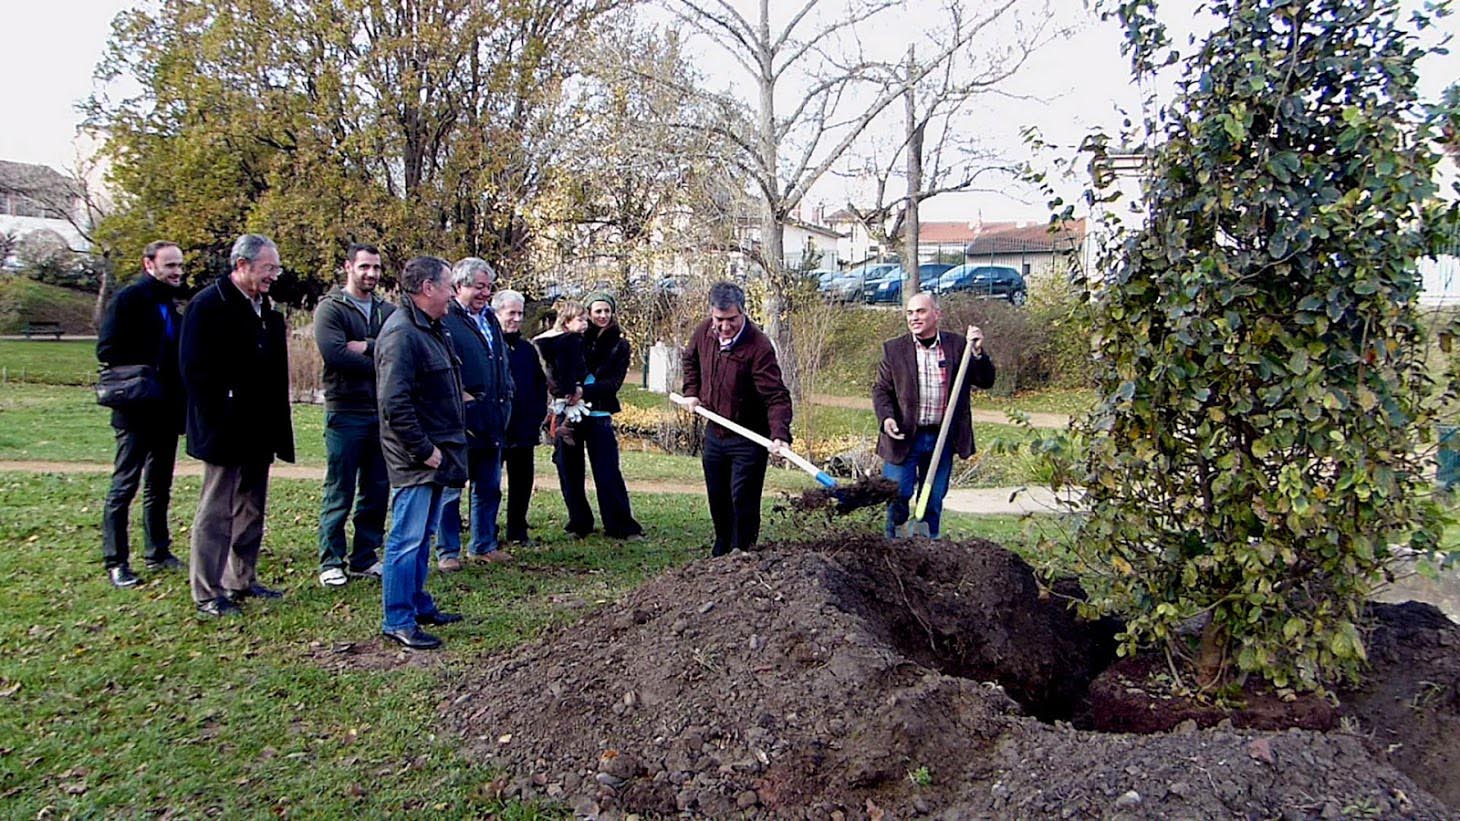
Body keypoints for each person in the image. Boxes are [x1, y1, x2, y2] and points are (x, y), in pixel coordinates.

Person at [179, 234, 295, 618]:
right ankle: (206, 591)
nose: (273, 276)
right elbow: (195, 372)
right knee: (216, 510)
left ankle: (240, 579)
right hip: (224, 429)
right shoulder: (208, 306)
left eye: (275, 269)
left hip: (258, 429)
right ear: (242, 265)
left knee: (251, 507)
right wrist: (221, 414)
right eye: (267, 269)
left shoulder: (265, 308)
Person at [375, 255, 468, 650]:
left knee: (424, 534)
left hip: (437, 450)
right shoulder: (401, 334)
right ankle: (397, 618)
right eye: (448, 286)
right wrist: (423, 449)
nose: (452, 294)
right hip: (417, 457)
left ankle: (417, 604)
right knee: (406, 539)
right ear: (427, 288)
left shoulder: (433, 327)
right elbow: (394, 404)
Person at [96, 240, 187, 588]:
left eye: (179, 265)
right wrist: (147, 368)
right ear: (149, 265)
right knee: (124, 485)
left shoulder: (169, 302)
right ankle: (116, 560)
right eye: (170, 266)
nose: (177, 272)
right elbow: (107, 349)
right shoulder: (129, 299)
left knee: (159, 484)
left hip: (164, 410)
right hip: (135, 409)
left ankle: (158, 550)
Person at [679, 281, 792, 556]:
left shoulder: (758, 346)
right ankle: (722, 548)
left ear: (742, 313)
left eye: (731, 319)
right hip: (715, 431)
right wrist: (692, 392)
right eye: (719, 319)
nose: (725, 326)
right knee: (718, 496)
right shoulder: (704, 332)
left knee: (742, 497)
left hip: (748, 437)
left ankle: (742, 550)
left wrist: (779, 434)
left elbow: (776, 396)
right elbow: (690, 361)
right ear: (711, 313)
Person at [872, 291, 995, 539]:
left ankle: (929, 550)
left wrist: (978, 353)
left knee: (933, 498)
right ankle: (893, 546)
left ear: (937, 314)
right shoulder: (894, 350)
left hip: (942, 438)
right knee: (898, 494)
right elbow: (881, 390)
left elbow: (986, 380)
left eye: (921, 311)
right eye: (910, 313)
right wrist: (887, 418)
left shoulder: (959, 346)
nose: (914, 317)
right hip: (904, 437)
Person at [314, 243, 394, 588]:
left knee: (377, 488)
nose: (371, 274)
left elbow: (398, 351)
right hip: (345, 410)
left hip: (381, 411)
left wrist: (369, 346)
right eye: (364, 267)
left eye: (376, 268)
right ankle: (331, 559)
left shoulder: (387, 310)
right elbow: (336, 354)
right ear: (348, 267)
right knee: (340, 487)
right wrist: (380, 357)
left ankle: (365, 556)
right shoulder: (331, 309)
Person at [437, 257, 513, 570]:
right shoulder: (447, 320)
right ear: (459, 286)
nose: (485, 293)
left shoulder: (491, 319)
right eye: (478, 287)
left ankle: (483, 544)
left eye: (488, 287)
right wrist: (463, 400)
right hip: (461, 420)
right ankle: (448, 552)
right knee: (451, 489)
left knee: (489, 486)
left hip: (493, 418)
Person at [554, 291, 644, 541]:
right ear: (589, 313)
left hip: (599, 412)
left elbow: (612, 383)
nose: (603, 316)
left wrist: (582, 390)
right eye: (598, 311)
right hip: (569, 414)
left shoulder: (619, 345)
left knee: (607, 471)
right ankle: (579, 522)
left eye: (607, 311)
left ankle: (620, 524)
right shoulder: (573, 339)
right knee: (569, 469)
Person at [494, 288, 548, 547]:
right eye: (510, 313)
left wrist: (538, 416)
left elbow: (539, 384)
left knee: (522, 481)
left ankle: (517, 529)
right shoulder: (490, 344)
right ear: (497, 313)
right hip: (495, 428)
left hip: (524, 428)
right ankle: (486, 530)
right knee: (489, 484)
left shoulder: (527, 349)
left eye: (519, 313)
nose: (516, 318)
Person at [533, 301, 590, 450]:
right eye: (580, 320)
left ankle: (552, 425)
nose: (585, 324)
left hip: (556, 391)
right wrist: (571, 388)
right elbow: (566, 367)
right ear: (567, 321)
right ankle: (562, 428)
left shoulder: (550, 341)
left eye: (586, 320)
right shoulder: (570, 340)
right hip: (565, 389)